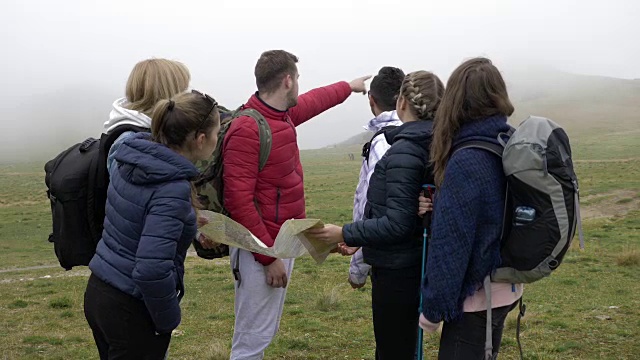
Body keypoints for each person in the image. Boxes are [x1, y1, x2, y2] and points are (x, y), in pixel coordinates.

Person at [195, 49, 369, 360]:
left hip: (280, 244)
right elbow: (239, 202)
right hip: (260, 251)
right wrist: (268, 258)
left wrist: (348, 86)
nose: (301, 86)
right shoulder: (249, 128)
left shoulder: (280, 115)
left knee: (262, 333)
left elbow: (316, 100)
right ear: (288, 81)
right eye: (298, 79)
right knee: (251, 339)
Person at [308, 71, 444, 360]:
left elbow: (397, 222)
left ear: (402, 102)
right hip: (420, 261)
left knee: (393, 349)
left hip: (398, 269)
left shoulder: (404, 150)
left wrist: (345, 232)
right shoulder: (440, 143)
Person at [84, 90, 221, 359]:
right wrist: (167, 320)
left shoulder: (135, 157)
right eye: (217, 133)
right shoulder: (172, 187)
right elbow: (151, 269)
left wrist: (188, 222)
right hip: (131, 309)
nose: (218, 140)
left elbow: (138, 213)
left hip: (101, 290)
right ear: (201, 139)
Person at [418, 57, 523, 359]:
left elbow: (452, 245)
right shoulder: (507, 141)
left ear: (455, 100)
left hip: (476, 299)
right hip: (506, 286)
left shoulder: (467, 160)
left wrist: (433, 310)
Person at [336, 66, 405, 289]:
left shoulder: (382, 143)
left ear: (371, 100)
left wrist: (357, 268)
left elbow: (371, 206)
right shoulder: (419, 133)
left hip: (389, 259)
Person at [104, 58, 191, 168]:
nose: (187, 97)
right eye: (183, 90)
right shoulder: (131, 143)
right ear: (169, 92)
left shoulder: (148, 133)